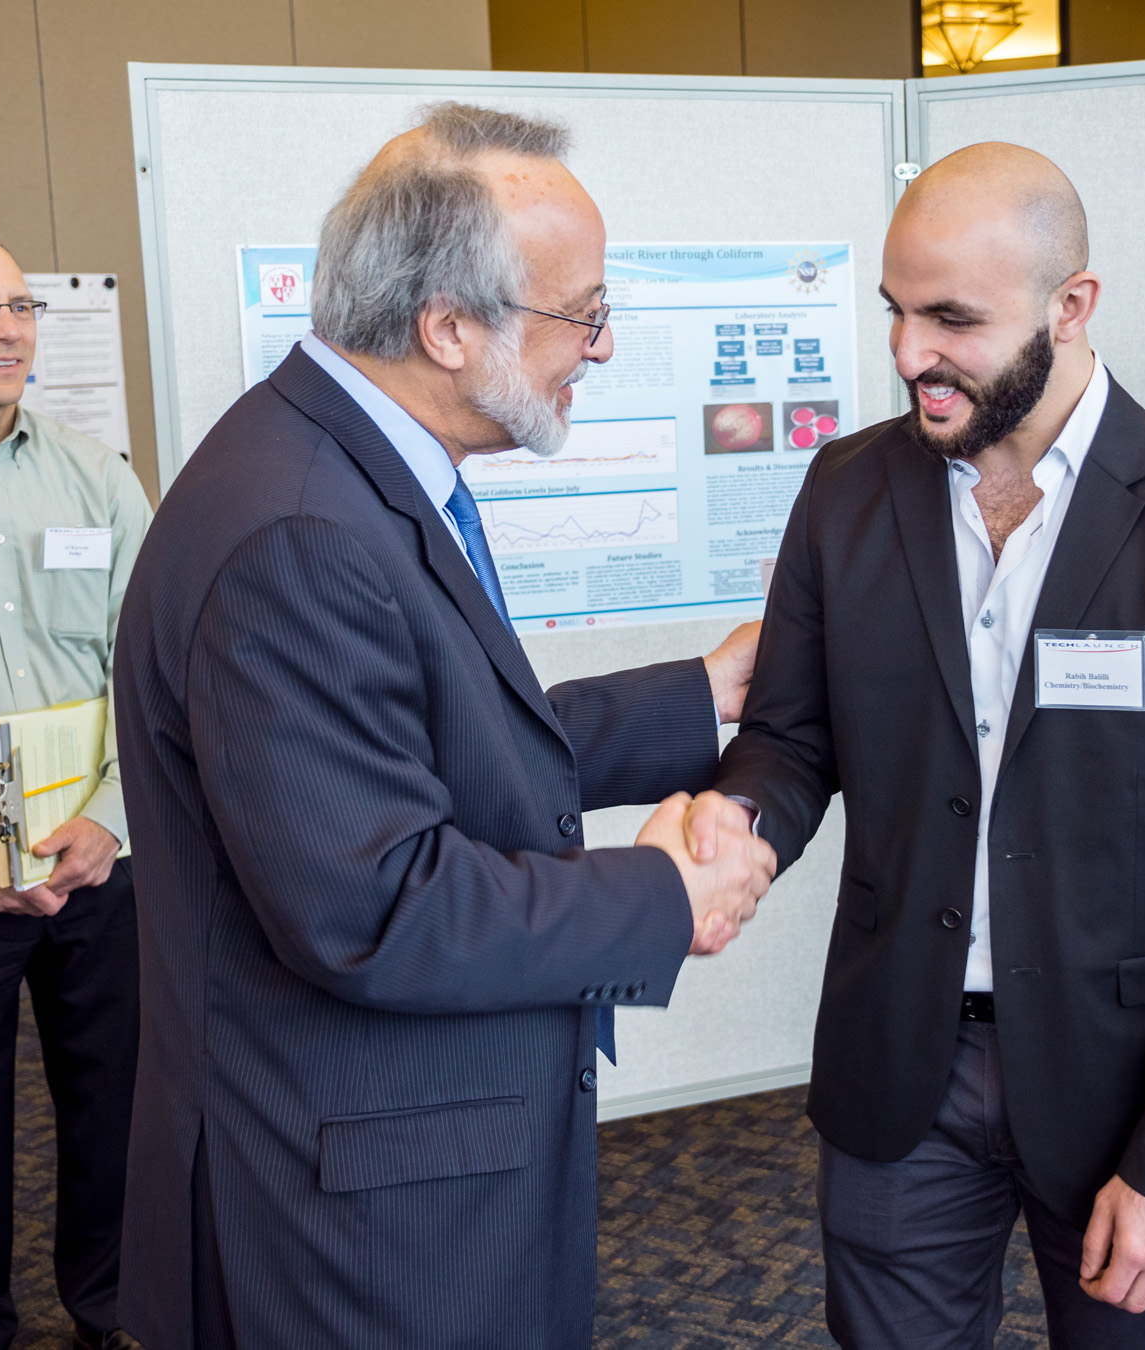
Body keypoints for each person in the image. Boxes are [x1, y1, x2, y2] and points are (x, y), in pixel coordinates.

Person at [111, 103, 777, 1349]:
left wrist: (705, 692)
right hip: (348, 1221)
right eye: (579, 315)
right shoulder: (300, 536)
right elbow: (378, 905)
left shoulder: (346, 466)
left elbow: (435, 746)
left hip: (380, 1167)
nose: (603, 346)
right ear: (450, 326)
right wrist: (662, 895)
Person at [704, 142, 1145, 1349]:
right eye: (894, 312)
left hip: (1124, 1089)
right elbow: (790, 736)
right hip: (900, 1072)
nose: (906, 357)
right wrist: (739, 828)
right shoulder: (845, 491)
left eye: (950, 320)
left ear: (1072, 305)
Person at [0, 232, 150, 1350]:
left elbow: (149, 665)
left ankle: (114, 1307)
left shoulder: (95, 474)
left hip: (92, 829)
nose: (9, 329)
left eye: (22, 306)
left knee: (121, 1097)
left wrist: (109, 818)